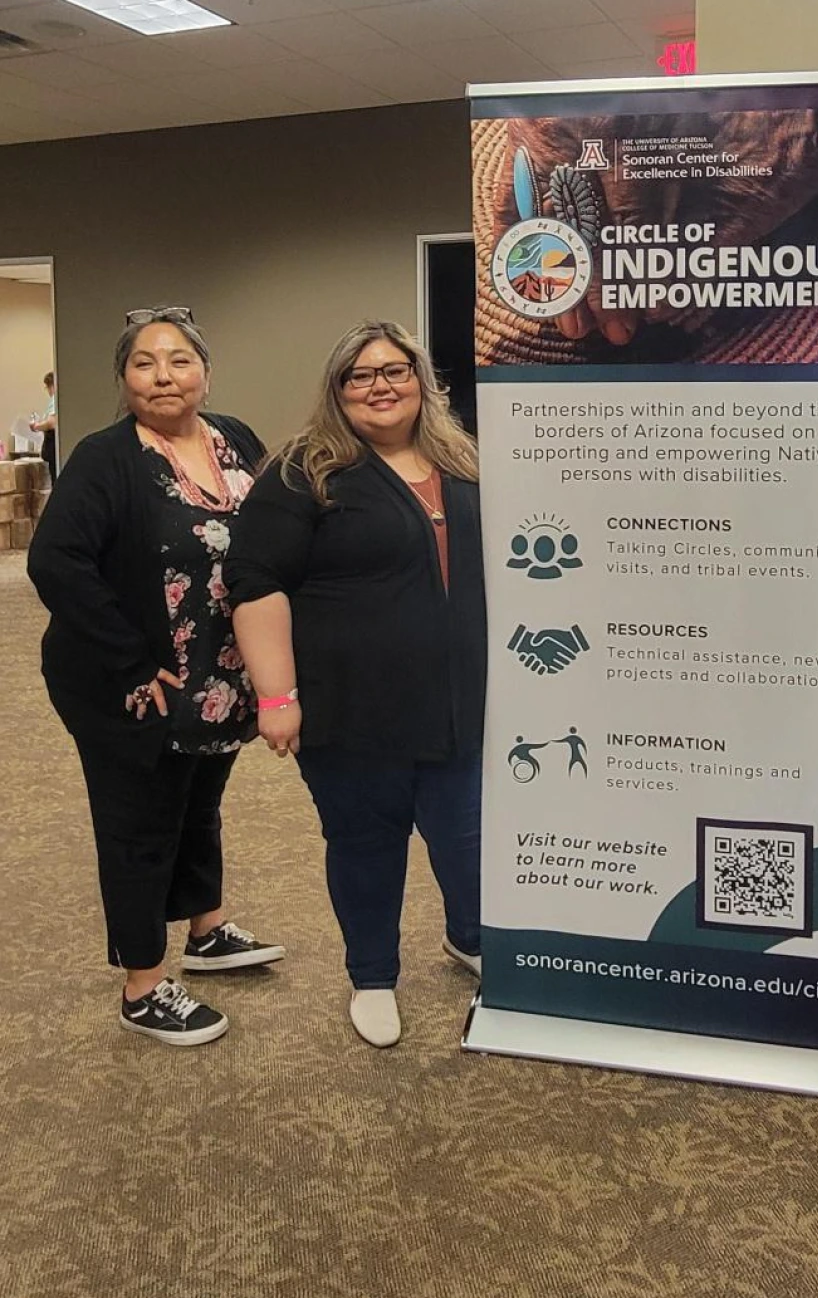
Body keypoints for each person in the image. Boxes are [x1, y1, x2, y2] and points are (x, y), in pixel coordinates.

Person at [27, 307, 284, 1048]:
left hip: (219, 676)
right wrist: (132, 658)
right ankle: (142, 983)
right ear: (124, 378)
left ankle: (205, 929)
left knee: (198, 802)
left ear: (205, 372)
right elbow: (55, 562)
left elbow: (266, 534)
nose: (163, 375)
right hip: (130, 680)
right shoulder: (106, 457)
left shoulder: (234, 439)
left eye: (178, 360)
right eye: (144, 363)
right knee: (137, 823)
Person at [224, 321, 485, 1049]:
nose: (380, 386)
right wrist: (276, 697)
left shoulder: (462, 461)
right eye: (359, 375)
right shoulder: (304, 471)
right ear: (337, 390)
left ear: (422, 380)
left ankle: (469, 938)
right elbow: (254, 583)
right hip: (353, 711)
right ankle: (373, 976)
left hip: (461, 706)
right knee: (368, 845)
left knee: (467, 839)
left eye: (395, 371)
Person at [29, 370, 58, 483]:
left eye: (47, 387)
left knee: (55, 480)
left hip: (52, 447)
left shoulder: (55, 399)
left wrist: (36, 426)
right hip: (52, 449)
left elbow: (51, 423)